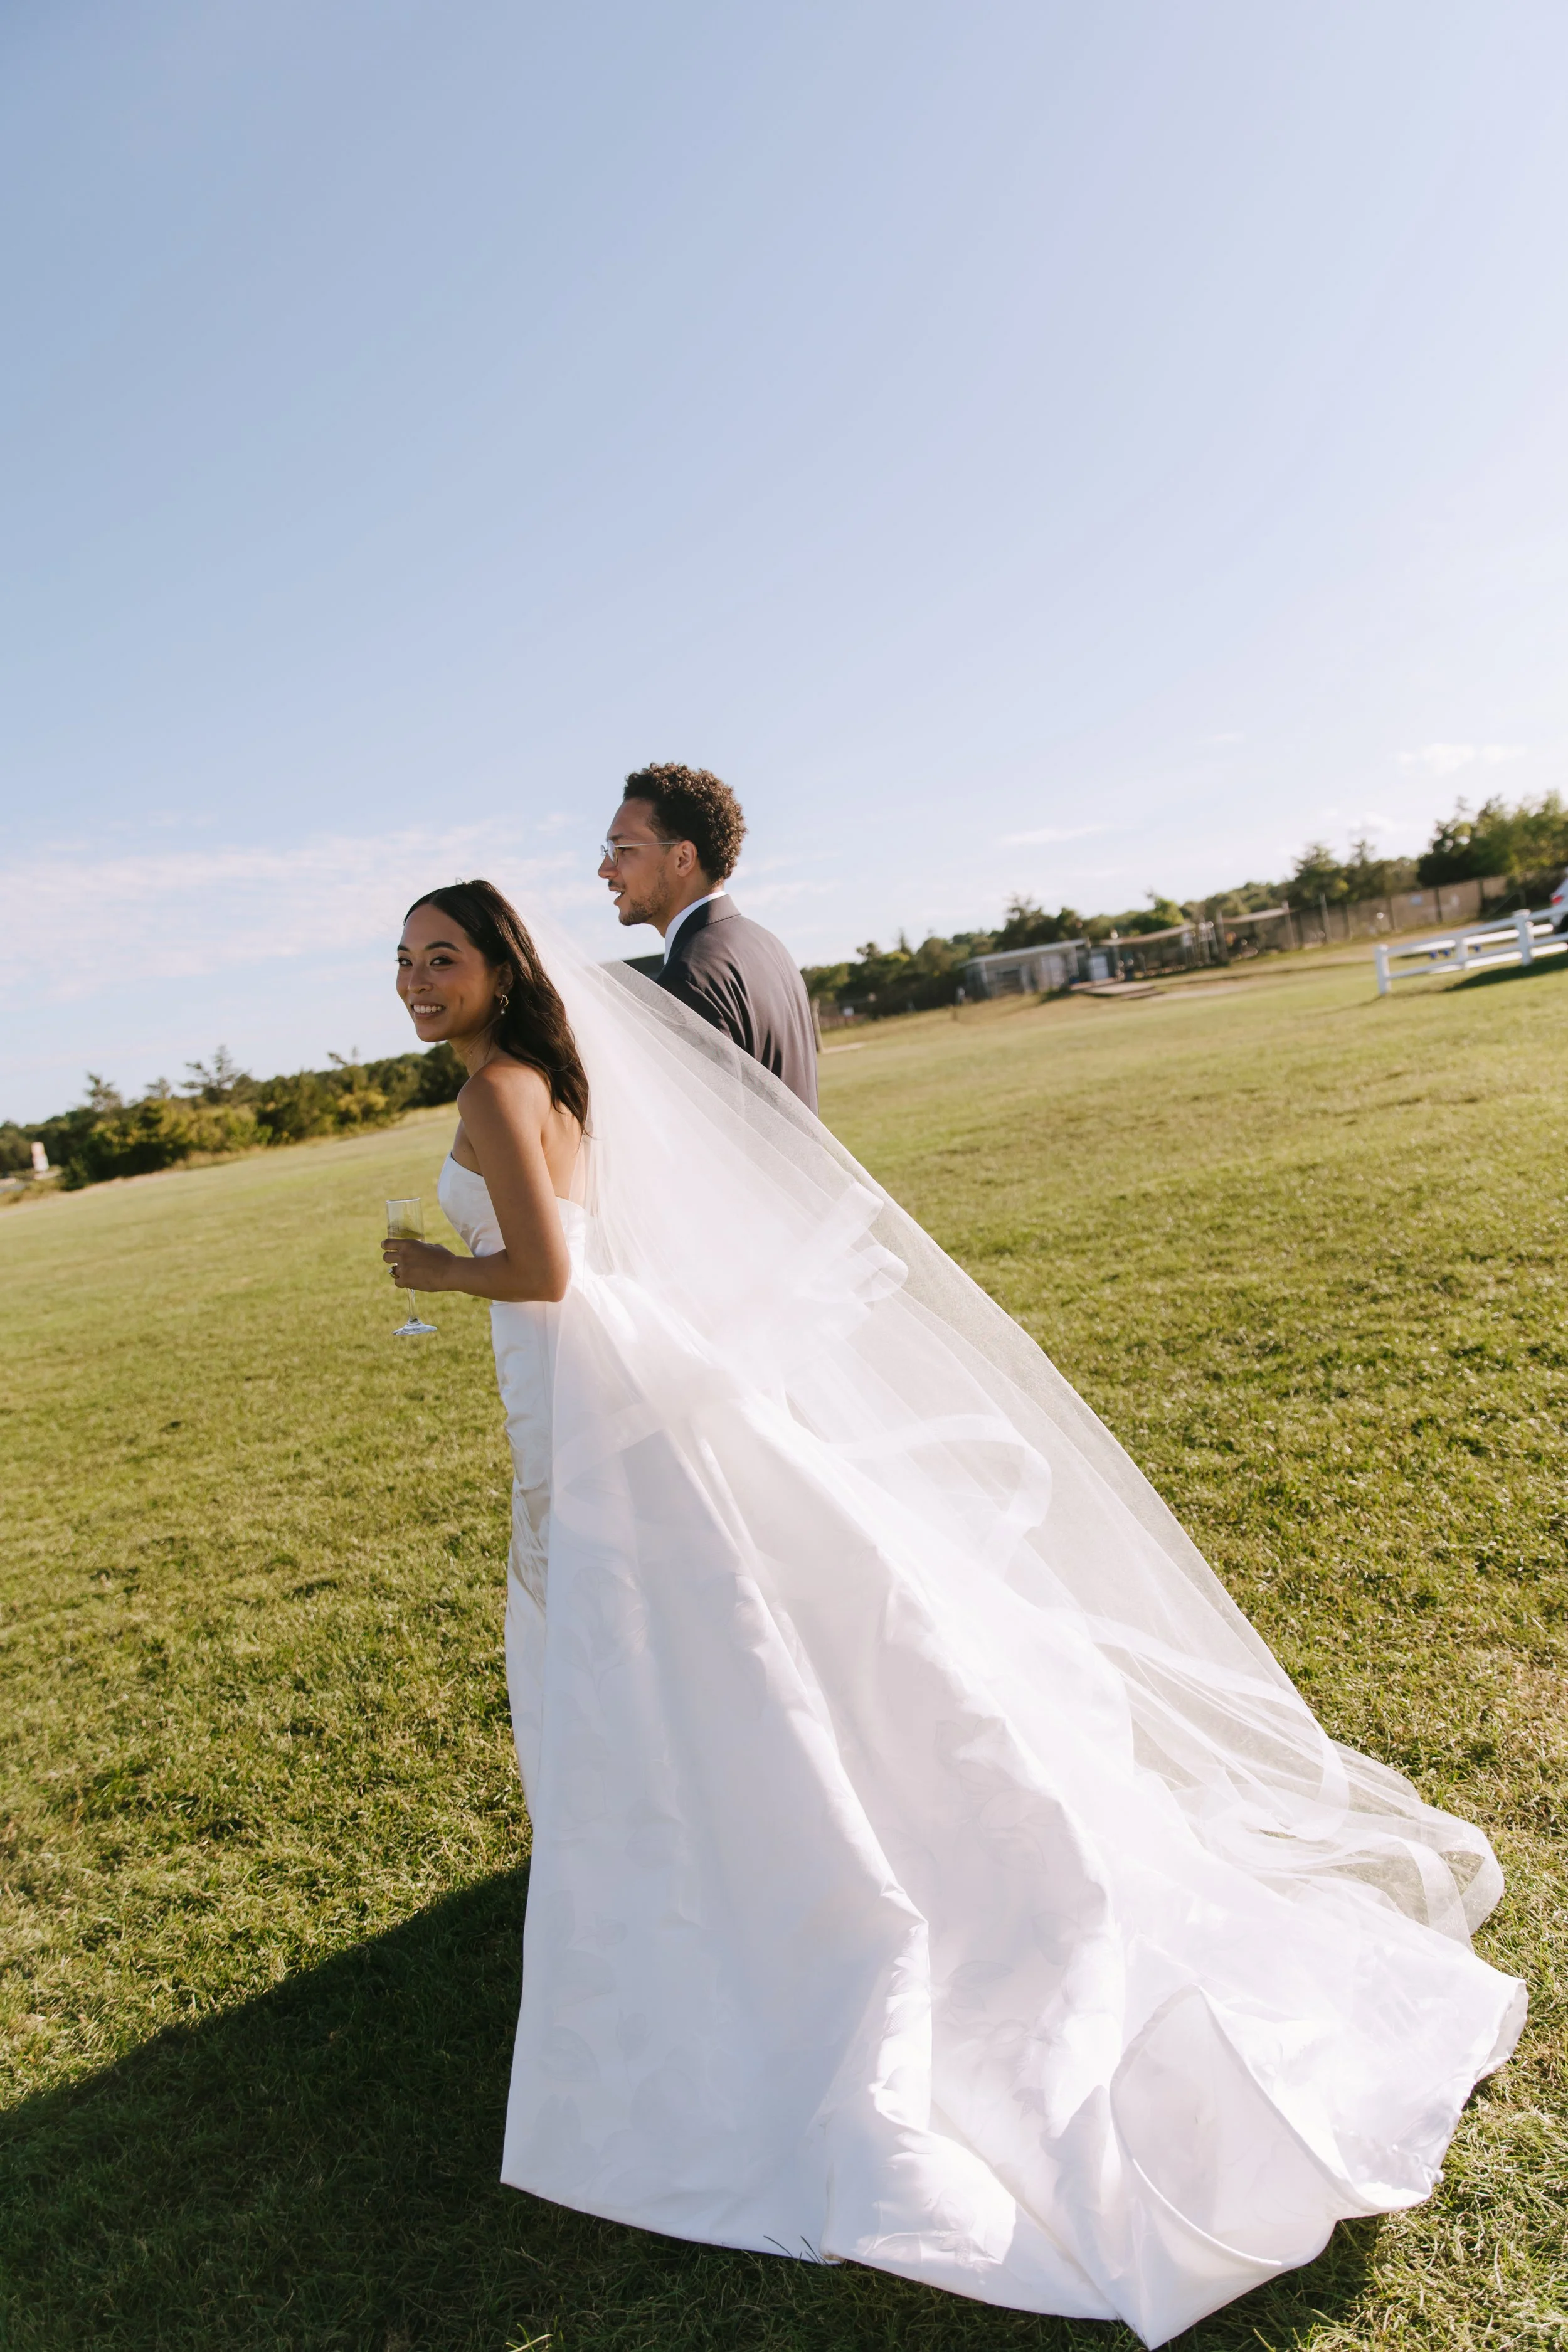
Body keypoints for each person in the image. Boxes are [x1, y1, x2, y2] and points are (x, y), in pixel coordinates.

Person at [384, 879, 1523, 2352]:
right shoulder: (547, 1074)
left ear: (500, 969)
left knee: (675, 1651)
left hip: (592, 1391)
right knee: (721, 1643)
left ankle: (756, 1912)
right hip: (609, 1384)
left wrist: (436, 1267)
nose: (417, 980)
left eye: (443, 956)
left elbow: (543, 1269)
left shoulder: (498, 1088)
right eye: (404, 959)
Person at [599, 761, 818, 1111]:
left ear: (683, 858)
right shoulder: (768, 946)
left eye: (623, 850)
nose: (605, 870)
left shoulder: (689, 979)